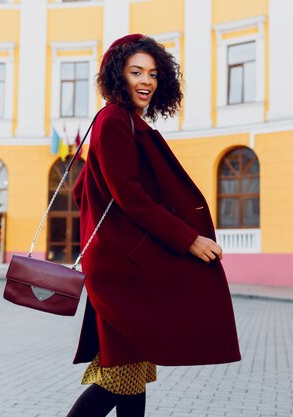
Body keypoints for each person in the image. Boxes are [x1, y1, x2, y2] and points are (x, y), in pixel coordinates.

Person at [67, 34, 241, 417]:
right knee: (119, 375)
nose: (146, 81)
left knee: (132, 371)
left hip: (124, 267)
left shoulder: (125, 121)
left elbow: (85, 190)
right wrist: (189, 239)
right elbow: (130, 195)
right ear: (118, 76)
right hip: (122, 272)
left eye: (153, 73)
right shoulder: (114, 121)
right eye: (136, 72)